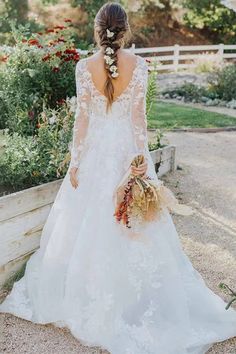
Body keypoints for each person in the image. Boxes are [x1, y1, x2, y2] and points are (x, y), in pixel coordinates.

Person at [1, 3, 236, 353]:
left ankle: (86, 294)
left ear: (97, 30)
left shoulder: (84, 67)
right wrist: (140, 161)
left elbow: (82, 120)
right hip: (127, 152)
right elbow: (139, 120)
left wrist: (76, 163)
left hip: (95, 153)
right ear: (124, 31)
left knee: (86, 223)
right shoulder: (139, 66)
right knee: (138, 223)